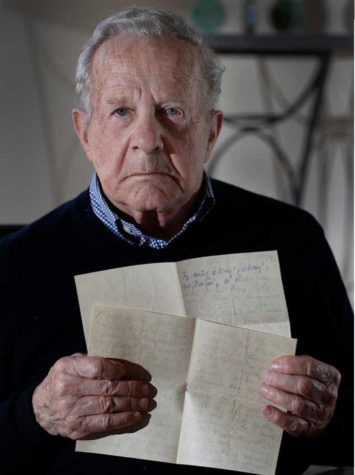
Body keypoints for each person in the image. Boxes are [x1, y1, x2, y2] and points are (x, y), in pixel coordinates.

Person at [0, 7, 353, 475]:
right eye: (121, 111)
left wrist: (328, 414)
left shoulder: (292, 240)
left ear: (211, 130)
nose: (147, 139)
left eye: (172, 111)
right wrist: (37, 413)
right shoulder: (15, 264)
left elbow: (347, 438)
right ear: (85, 132)